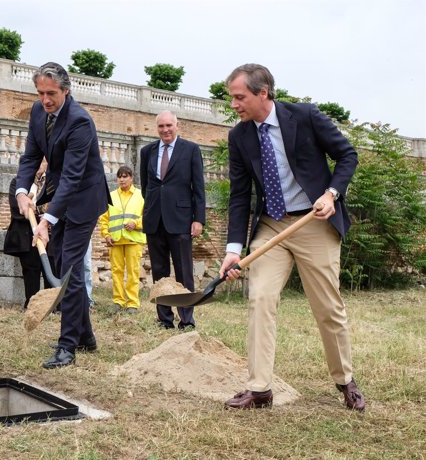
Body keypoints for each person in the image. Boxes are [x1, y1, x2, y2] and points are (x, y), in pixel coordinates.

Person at [218, 63, 365, 411]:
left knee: (327, 307)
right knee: (261, 297)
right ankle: (260, 389)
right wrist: (233, 249)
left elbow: (347, 155)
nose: (234, 104)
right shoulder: (239, 136)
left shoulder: (305, 116)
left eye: (240, 97)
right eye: (232, 98)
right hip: (271, 226)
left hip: (313, 222)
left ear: (263, 92)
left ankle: (345, 379)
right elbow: (240, 195)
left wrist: (332, 193)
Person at [15, 61, 110, 369]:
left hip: (84, 199)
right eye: (41, 92)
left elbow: (72, 176)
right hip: (60, 196)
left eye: (52, 93)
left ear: (66, 91)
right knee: (59, 262)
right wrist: (21, 190)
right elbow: (31, 155)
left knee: (68, 267)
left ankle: (67, 345)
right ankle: (86, 336)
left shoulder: (80, 121)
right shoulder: (38, 112)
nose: (45, 99)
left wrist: (46, 220)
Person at [139, 110, 205, 330]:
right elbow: (147, 186)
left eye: (169, 125)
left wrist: (199, 219)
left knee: (184, 271)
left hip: (181, 220)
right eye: (161, 126)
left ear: (177, 126)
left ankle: (186, 319)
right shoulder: (147, 152)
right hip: (154, 220)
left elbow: (198, 188)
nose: (165, 130)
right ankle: (164, 318)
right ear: (156, 128)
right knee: (159, 272)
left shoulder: (191, 150)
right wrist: (150, 209)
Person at [3, 162, 52, 310]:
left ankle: (52, 305)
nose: (38, 166)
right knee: (31, 269)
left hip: (48, 234)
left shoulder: (51, 182)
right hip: (26, 234)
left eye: (41, 161)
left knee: (51, 268)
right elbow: (16, 208)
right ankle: (31, 305)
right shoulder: (18, 183)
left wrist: (49, 218)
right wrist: (37, 216)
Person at [99, 165, 146, 313]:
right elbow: (104, 217)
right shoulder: (111, 196)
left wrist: (136, 223)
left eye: (125, 176)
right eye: (119, 176)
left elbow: (148, 216)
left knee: (133, 271)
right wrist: (106, 234)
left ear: (131, 178)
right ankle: (118, 301)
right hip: (115, 240)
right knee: (116, 271)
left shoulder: (140, 195)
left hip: (134, 240)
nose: (122, 179)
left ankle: (132, 303)